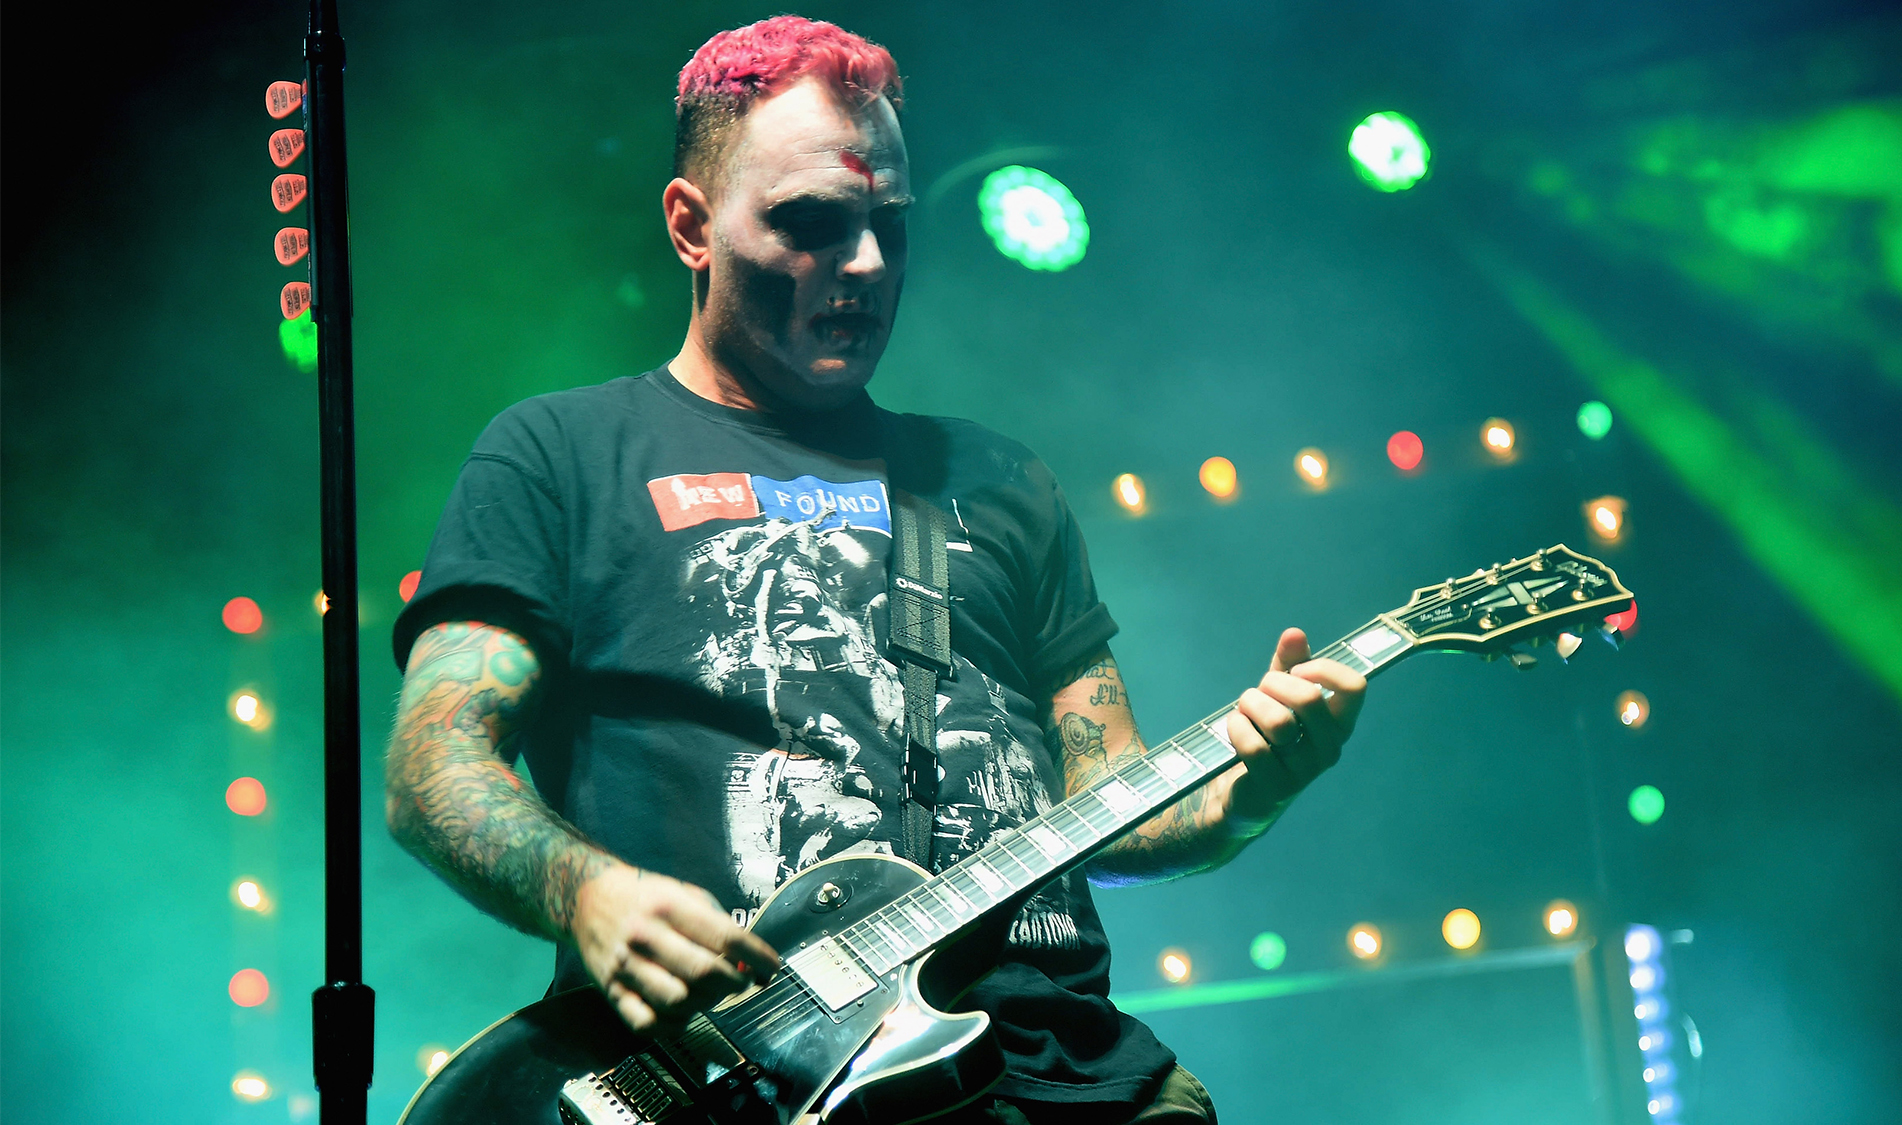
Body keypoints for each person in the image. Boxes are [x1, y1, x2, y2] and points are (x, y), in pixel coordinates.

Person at [386, 16, 1367, 1123]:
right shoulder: (561, 454)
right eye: (808, 223)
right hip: (739, 1085)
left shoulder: (997, 480)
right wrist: (589, 892)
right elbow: (433, 767)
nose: (858, 264)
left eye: (885, 228)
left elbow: (1111, 800)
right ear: (690, 226)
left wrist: (1251, 791)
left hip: (1063, 1079)